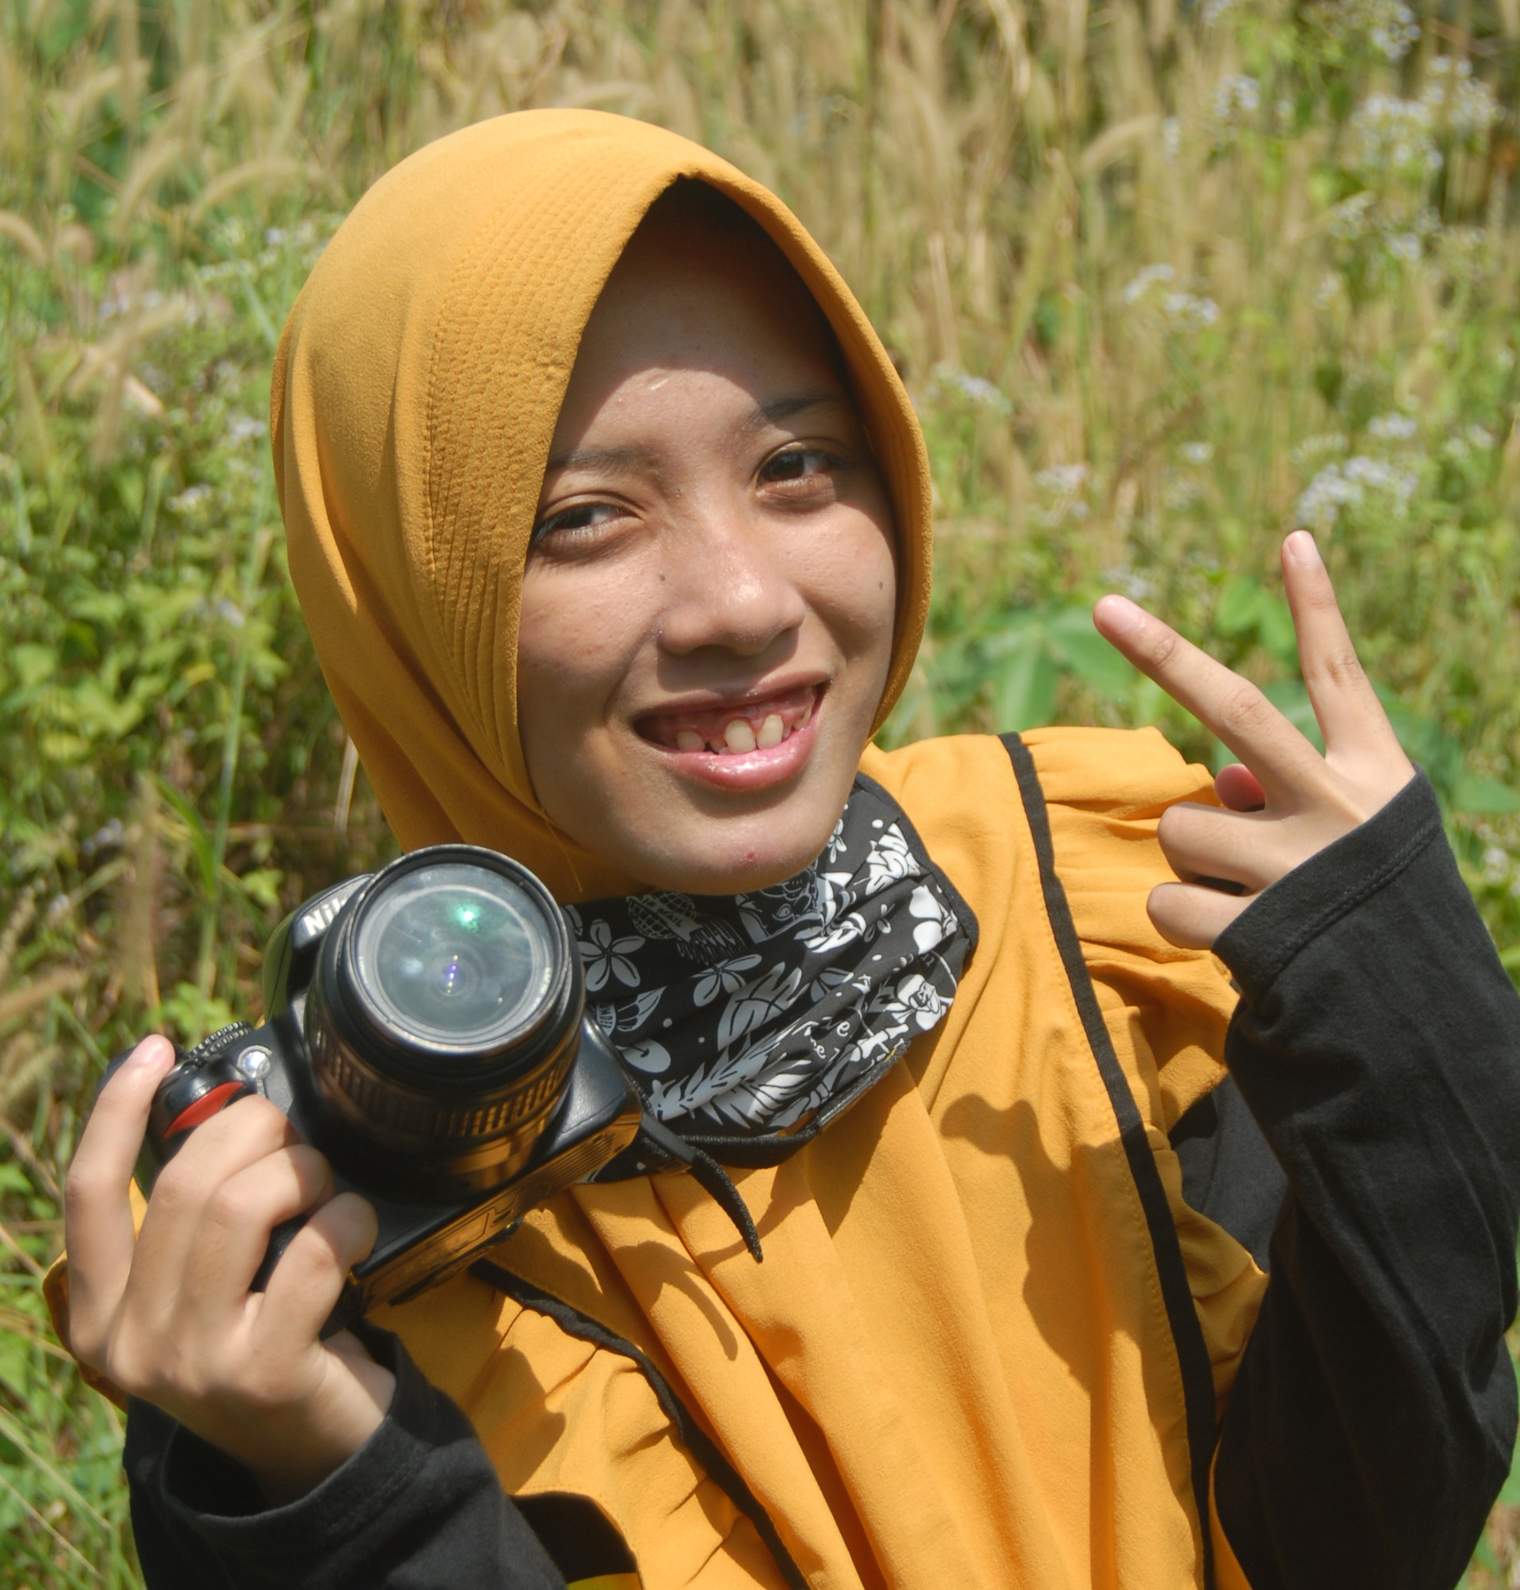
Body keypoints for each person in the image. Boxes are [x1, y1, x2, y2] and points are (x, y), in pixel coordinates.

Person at [52, 110, 1520, 1589]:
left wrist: (1405, 1009)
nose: (743, 601)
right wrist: (332, 1490)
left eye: (800, 464)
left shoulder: (1099, 907)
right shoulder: (301, 1242)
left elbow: (1358, 1539)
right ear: (402, 589)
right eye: (583, 518)